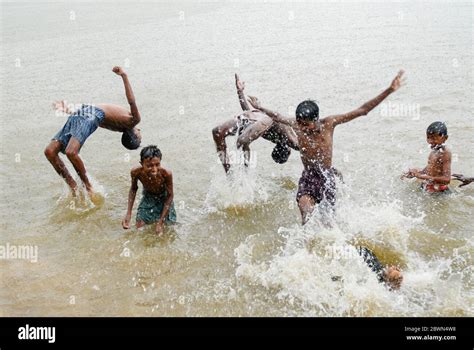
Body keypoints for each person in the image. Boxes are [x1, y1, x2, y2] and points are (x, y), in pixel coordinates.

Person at [247, 70, 405, 224]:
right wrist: (259, 106)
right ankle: (308, 239)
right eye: (299, 124)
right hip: (308, 175)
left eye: (306, 124)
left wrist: (389, 90)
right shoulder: (297, 124)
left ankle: (330, 239)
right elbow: (277, 116)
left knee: (327, 220)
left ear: (315, 119)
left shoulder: (329, 124)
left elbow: (362, 111)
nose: (302, 128)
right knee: (304, 207)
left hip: (326, 176)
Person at [44, 66, 142, 200]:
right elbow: (88, 119)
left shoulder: (134, 120)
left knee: (71, 152)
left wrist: (124, 76)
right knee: (50, 151)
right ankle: (72, 185)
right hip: (85, 111)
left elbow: (132, 101)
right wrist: (67, 109)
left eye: (139, 136)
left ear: (134, 135)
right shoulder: (116, 124)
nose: (140, 131)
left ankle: (88, 186)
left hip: (90, 113)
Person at [212, 74, 299, 173]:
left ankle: (233, 173)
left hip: (250, 118)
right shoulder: (290, 138)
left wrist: (240, 92)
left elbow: (247, 111)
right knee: (241, 142)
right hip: (260, 120)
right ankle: (237, 172)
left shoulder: (275, 137)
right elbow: (275, 117)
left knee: (218, 132)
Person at [122, 145, 176, 235]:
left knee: (168, 229)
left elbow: (170, 195)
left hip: (164, 198)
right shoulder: (136, 172)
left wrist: (161, 222)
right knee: (139, 227)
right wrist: (128, 213)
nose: (154, 169)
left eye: (157, 165)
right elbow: (133, 189)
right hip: (148, 197)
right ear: (141, 164)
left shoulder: (166, 174)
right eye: (149, 166)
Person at [402, 121, 451, 193]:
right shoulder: (435, 150)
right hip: (428, 187)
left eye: (434, 138)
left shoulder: (445, 153)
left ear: (445, 138)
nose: (430, 141)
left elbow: (447, 179)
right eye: (428, 137)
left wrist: (422, 177)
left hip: (439, 192)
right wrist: (417, 173)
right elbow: (431, 166)